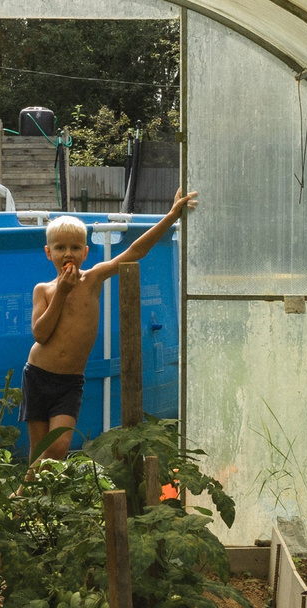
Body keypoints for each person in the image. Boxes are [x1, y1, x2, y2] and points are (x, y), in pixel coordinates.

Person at [24, 189, 199, 470]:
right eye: (60, 248)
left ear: (86, 251)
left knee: (57, 448)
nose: (68, 253)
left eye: (75, 247)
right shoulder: (43, 290)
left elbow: (136, 251)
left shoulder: (93, 279)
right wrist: (61, 293)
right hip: (38, 375)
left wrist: (170, 216)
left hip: (69, 382)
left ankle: (24, 498)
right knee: (39, 449)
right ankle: (31, 505)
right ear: (48, 253)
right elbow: (40, 335)